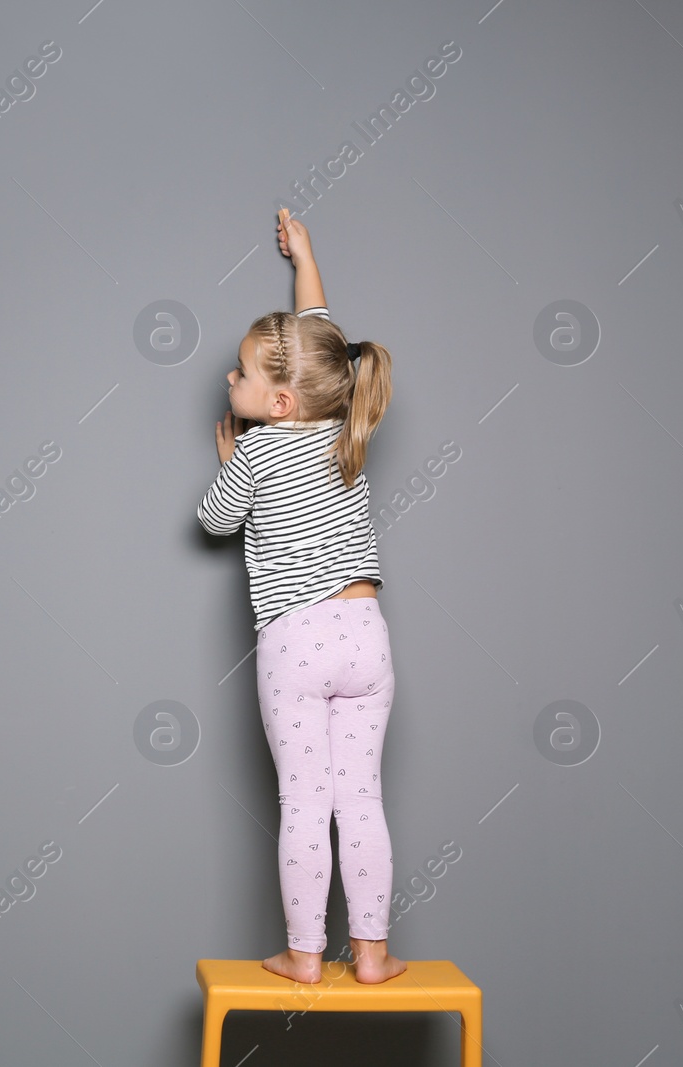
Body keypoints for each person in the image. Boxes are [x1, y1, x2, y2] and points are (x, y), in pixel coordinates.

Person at [195, 208, 405, 985]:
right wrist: (307, 257)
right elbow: (317, 337)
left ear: (278, 403)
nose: (231, 378)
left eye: (243, 374)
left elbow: (213, 521)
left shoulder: (256, 455)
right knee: (363, 799)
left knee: (304, 803)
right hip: (366, 632)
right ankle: (375, 953)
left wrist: (228, 459)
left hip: (297, 641)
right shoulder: (342, 417)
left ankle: (306, 952)